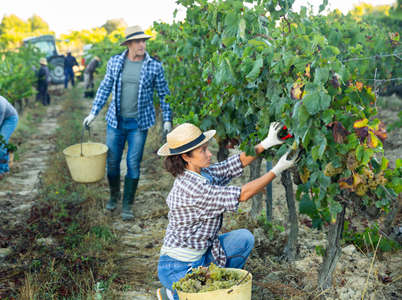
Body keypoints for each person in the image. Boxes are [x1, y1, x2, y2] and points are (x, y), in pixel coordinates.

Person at [155, 122, 297, 300]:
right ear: (186, 157)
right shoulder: (193, 189)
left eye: (207, 148)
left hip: (202, 254)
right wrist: (277, 169)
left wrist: (267, 143)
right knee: (212, 295)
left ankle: (195, 289)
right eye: (203, 151)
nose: (209, 154)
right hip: (177, 267)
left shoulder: (200, 172)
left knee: (244, 239)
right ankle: (174, 294)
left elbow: (234, 164)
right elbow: (243, 194)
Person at [83, 25, 173, 221]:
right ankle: (114, 197)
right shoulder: (115, 62)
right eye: (138, 41)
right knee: (112, 162)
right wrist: (93, 113)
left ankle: (127, 205)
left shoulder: (154, 66)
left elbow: (164, 94)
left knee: (133, 163)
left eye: (144, 41)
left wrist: (167, 119)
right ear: (130, 44)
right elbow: (105, 87)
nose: (142, 44)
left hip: (139, 125)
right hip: (115, 122)